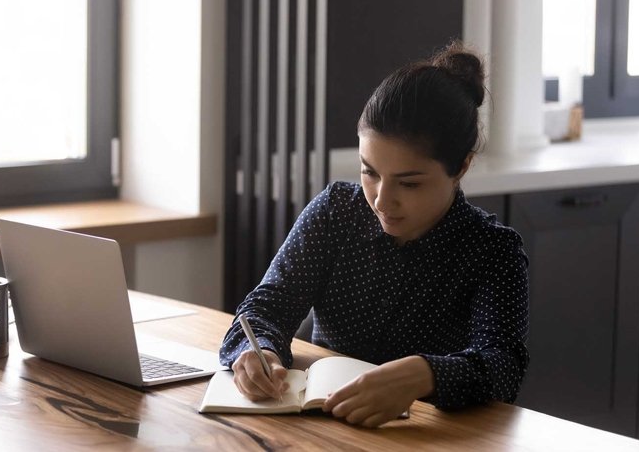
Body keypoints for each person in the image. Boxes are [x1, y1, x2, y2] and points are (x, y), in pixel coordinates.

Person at [219, 41, 529, 428]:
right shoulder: (336, 211)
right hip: (322, 426)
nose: (382, 200)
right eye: (370, 172)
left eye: (409, 184)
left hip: (427, 437)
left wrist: (424, 374)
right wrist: (254, 351)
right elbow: (266, 307)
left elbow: (503, 364)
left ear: (462, 166)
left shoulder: (491, 249)